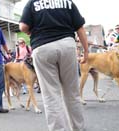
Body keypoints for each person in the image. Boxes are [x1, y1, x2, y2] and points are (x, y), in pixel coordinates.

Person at [19, 1, 88, 131]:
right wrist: (86, 51)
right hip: (66, 45)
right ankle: (78, 128)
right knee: (72, 93)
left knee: (51, 94)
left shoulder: (33, 3)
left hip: (43, 46)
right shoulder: (67, 2)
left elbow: (23, 27)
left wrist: (30, 29)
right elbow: (80, 28)